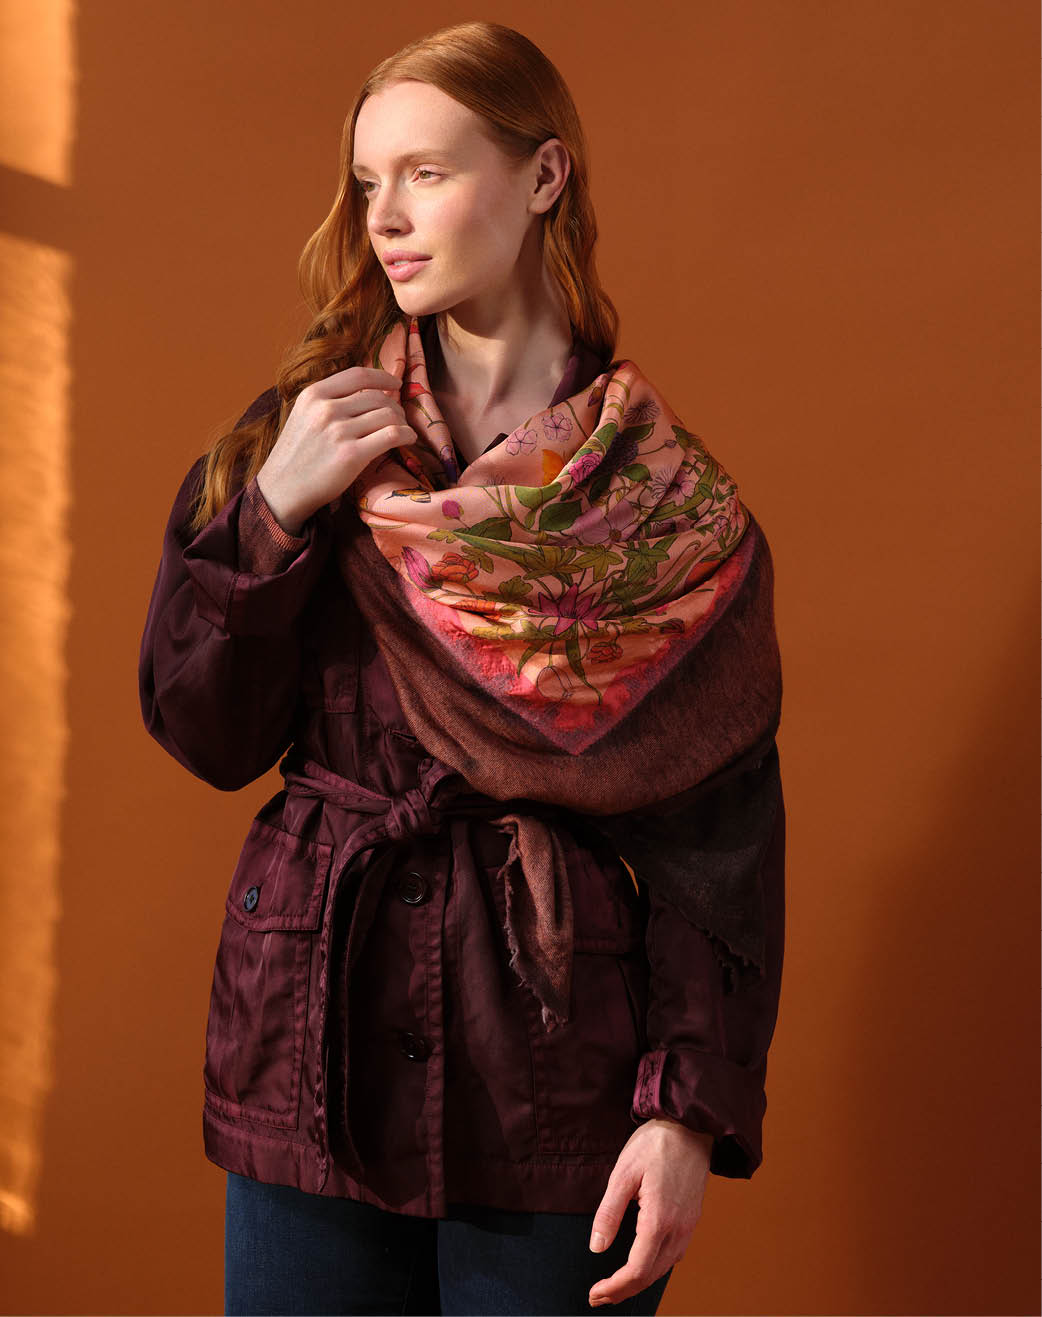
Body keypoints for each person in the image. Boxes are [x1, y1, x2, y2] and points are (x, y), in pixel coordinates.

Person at [138, 20, 786, 1317]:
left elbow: (720, 841)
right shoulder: (302, 442)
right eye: (367, 181)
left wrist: (685, 1111)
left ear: (544, 177)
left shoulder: (662, 503)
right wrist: (272, 515)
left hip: (559, 1064)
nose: (384, 216)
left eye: (426, 173)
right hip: (311, 1040)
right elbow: (206, 735)